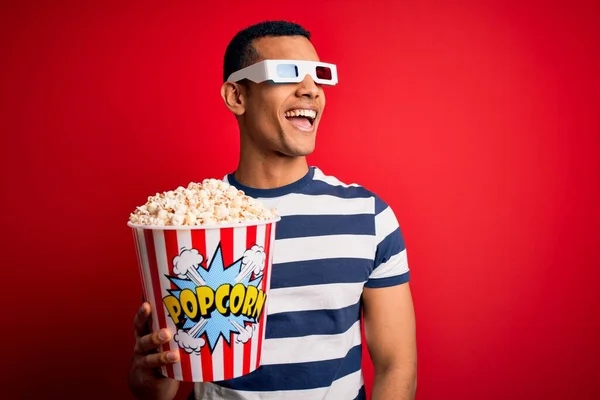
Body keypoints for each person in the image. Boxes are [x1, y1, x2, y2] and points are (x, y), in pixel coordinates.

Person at [128, 20, 417, 400]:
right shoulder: (188, 222)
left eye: (318, 76)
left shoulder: (368, 216)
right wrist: (150, 376)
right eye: (287, 73)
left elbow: (398, 366)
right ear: (236, 96)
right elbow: (163, 386)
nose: (310, 89)